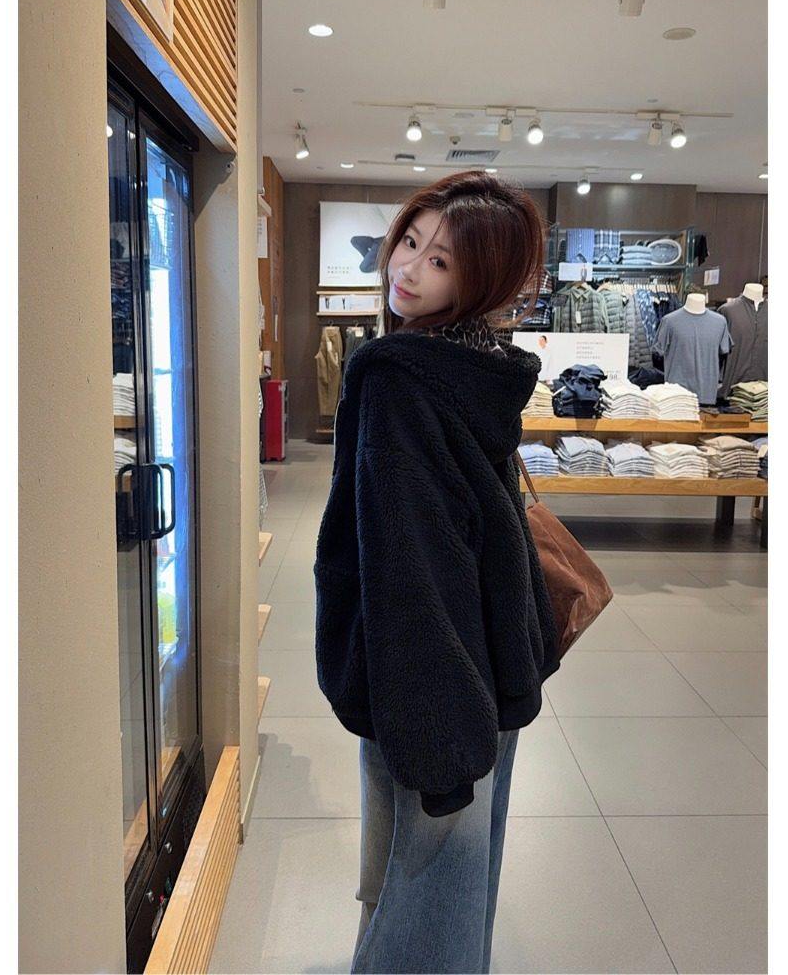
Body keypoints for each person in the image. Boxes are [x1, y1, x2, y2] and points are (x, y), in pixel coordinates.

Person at [314, 170, 561, 973]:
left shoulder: (398, 377)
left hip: (428, 687)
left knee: (415, 892)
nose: (408, 270)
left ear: (481, 280)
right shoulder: (484, 366)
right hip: (489, 666)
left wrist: (437, 740)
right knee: (455, 885)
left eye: (442, 262)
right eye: (411, 242)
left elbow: (411, 566)